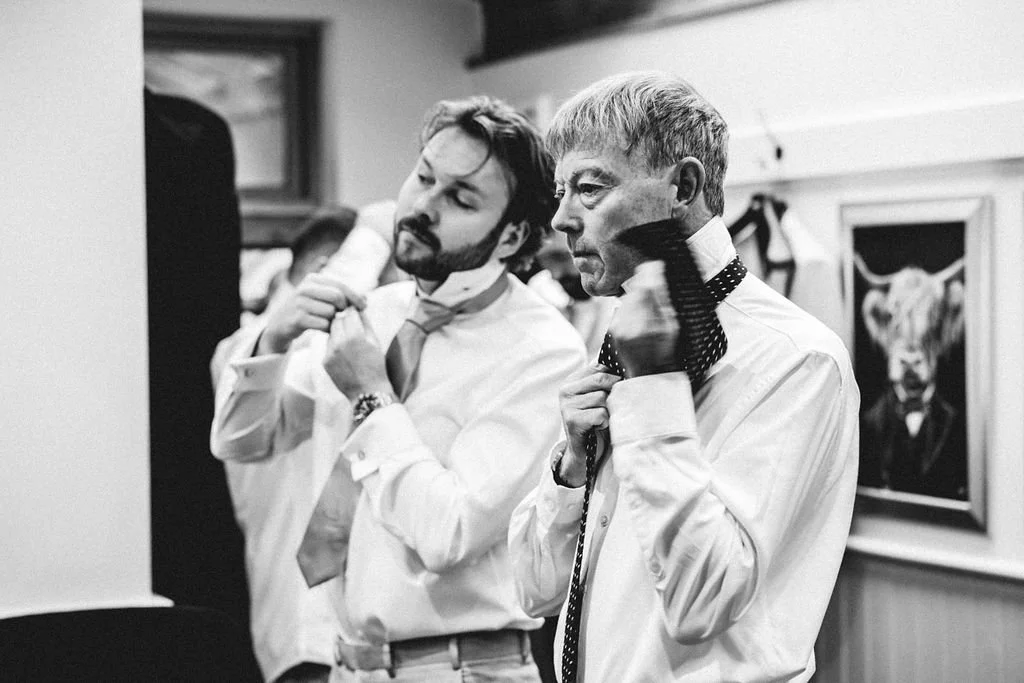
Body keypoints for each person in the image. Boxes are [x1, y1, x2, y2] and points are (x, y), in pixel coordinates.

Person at [211, 96, 587, 682]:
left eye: (460, 198)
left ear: (512, 235)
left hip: (460, 670)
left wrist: (371, 396)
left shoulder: (543, 352)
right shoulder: (376, 315)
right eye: (424, 177)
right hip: (349, 665)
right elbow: (244, 442)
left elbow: (450, 532)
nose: (422, 207)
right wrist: (272, 342)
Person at [508, 71, 860, 682]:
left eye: (590, 188)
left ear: (684, 185)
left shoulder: (797, 360)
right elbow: (534, 589)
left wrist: (652, 397)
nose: (562, 218)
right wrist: (569, 466)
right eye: (562, 191)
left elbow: (703, 600)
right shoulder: (613, 337)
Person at [211, 205, 392, 683]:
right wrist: (373, 236)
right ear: (325, 272)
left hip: (364, 629)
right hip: (302, 627)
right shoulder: (249, 351)